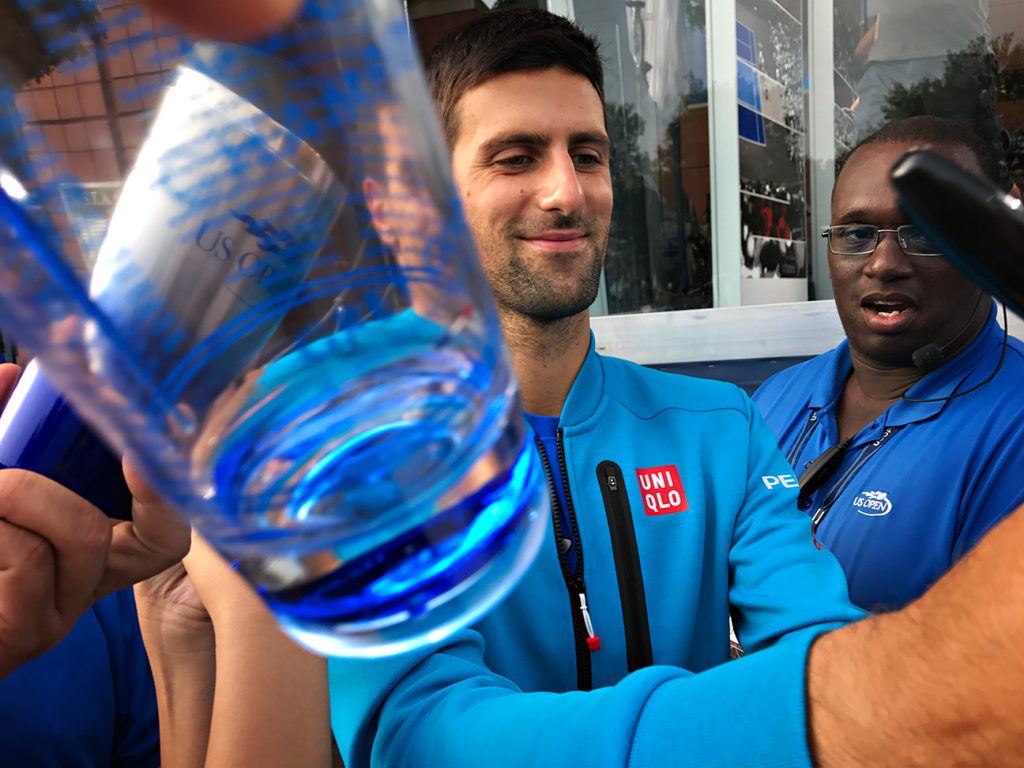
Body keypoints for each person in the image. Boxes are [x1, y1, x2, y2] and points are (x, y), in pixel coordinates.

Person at [328, 9, 864, 767]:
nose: (566, 193)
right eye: (515, 158)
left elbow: (823, 650)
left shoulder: (721, 427)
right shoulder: (365, 457)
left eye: (587, 153)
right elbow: (419, 728)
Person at [754, 116, 1024, 611]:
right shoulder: (773, 399)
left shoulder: (1015, 426)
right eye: (857, 233)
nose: (883, 263)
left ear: (991, 248)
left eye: (924, 234)